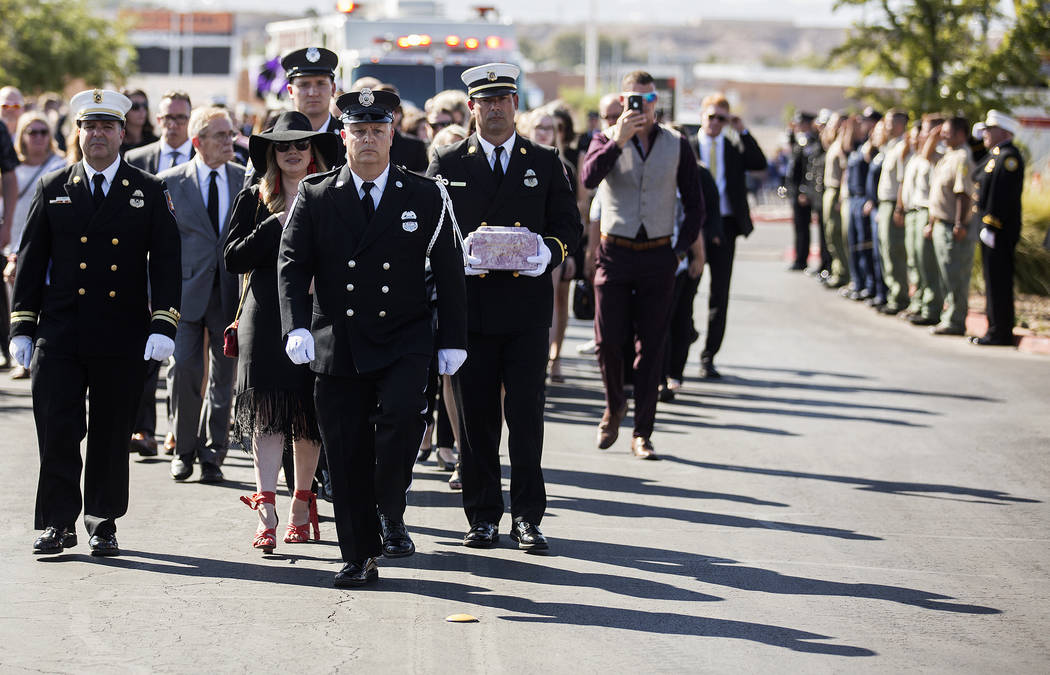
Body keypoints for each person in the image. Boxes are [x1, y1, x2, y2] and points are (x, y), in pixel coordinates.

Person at [279, 87, 467, 587]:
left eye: (377, 131)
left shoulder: (426, 194)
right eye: (358, 131)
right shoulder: (317, 195)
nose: (367, 139)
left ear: (392, 136)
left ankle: (390, 500)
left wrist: (453, 337)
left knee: (404, 417)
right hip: (337, 336)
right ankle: (358, 554)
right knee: (344, 449)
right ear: (343, 137)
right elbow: (292, 265)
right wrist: (295, 324)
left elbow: (449, 269)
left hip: (404, 334)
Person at [11, 89, 181, 556]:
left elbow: (166, 262)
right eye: (90, 126)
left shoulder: (147, 190)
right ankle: (58, 522)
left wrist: (164, 324)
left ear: (123, 134)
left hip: (120, 331)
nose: (98, 134)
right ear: (78, 133)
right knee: (57, 427)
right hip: (61, 331)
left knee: (110, 431)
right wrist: (22, 327)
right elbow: (30, 263)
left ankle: (103, 521)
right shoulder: (54, 187)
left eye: (108, 126)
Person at [428, 63, 581, 550]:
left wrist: (546, 254)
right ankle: (482, 516)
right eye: (485, 101)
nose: (495, 109)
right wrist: (458, 257)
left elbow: (567, 226)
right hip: (471, 309)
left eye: (504, 100)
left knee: (526, 417)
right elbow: (431, 233)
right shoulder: (449, 163)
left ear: (516, 105)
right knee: (475, 422)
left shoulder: (544, 160)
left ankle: (528, 517)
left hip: (525, 310)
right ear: (471, 107)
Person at [225, 111, 341, 551]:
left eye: (301, 144)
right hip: (263, 314)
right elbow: (232, 257)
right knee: (268, 412)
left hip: (316, 315)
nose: (292, 151)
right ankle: (266, 509)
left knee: (307, 415)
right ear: (272, 154)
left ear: (313, 151)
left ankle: (301, 504)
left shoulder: (330, 195)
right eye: (283, 145)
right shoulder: (254, 197)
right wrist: (274, 225)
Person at [580, 70, 703, 459]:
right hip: (614, 250)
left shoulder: (677, 144)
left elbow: (695, 203)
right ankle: (615, 405)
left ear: (658, 103)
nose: (641, 107)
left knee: (651, 346)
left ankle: (642, 431)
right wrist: (618, 139)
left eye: (648, 100)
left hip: (658, 253)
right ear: (621, 101)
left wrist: (680, 250)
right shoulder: (605, 138)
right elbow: (588, 177)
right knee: (606, 342)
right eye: (633, 99)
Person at [158, 107, 245, 483]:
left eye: (231, 134)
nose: (230, 141)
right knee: (184, 372)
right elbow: (156, 246)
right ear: (198, 142)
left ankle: (214, 453)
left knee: (224, 376)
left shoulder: (246, 179)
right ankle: (184, 449)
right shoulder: (168, 182)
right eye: (221, 135)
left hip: (229, 293)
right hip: (184, 291)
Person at [692, 93, 766, 379]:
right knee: (686, 289)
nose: (715, 123)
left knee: (719, 294)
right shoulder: (686, 145)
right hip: (694, 226)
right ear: (701, 116)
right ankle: (685, 335)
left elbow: (759, 163)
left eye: (722, 118)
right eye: (711, 117)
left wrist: (742, 130)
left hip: (724, 225)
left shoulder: (733, 146)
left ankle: (709, 355)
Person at [4, 113, 66, 378]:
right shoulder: (12, 168)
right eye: (32, 132)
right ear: (22, 137)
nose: (38, 137)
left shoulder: (61, 165)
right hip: (16, 238)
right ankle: (21, 354)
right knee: (17, 293)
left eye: (43, 132)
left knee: (44, 293)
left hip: (48, 241)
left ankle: (44, 351)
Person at [519, 108, 577, 383]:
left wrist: (570, 252)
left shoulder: (564, 166)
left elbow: (575, 213)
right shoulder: (519, 161)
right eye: (539, 127)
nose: (544, 132)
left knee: (555, 301)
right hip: (520, 244)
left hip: (550, 246)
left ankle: (551, 359)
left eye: (549, 128)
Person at [973, 110, 1025, 346]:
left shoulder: (1009, 158)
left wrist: (991, 225)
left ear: (1004, 132)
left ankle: (1000, 331)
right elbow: (976, 171)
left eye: (989, 130)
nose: (985, 133)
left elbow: (1002, 196)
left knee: (999, 281)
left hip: (1000, 230)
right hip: (992, 229)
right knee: (992, 279)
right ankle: (994, 328)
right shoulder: (995, 156)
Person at [926, 115, 975, 337]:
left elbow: (963, 194)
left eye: (947, 132)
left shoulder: (962, 157)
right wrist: (934, 136)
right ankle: (949, 317)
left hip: (951, 226)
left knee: (955, 275)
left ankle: (955, 321)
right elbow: (925, 156)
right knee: (946, 274)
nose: (943, 135)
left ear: (961, 133)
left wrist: (958, 224)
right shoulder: (950, 155)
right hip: (941, 223)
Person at [899, 115, 945, 327]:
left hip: (927, 211)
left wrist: (932, 221)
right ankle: (918, 302)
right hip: (913, 211)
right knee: (915, 262)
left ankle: (931, 308)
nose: (921, 135)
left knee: (927, 264)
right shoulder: (916, 155)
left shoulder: (940, 155)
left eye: (927, 131)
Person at [875, 109, 910, 314]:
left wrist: (898, 208)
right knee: (886, 251)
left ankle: (899, 298)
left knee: (895, 252)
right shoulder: (891, 146)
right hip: (885, 202)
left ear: (900, 123)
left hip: (894, 203)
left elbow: (902, 181)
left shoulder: (904, 147)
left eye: (889, 122)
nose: (886, 126)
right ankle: (892, 295)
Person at [125, 91, 195, 174]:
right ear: (159, 120)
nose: (173, 125)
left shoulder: (205, 157)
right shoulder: (135, 160)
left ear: (191, 120)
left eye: (181, 118)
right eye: (168, 117)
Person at [785, 111, 818, 271]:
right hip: (795, 190)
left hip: (802, 191)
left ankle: (802, 259)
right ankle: (799, 257)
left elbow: (808, 169)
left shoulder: (811, 141)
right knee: (798, 226)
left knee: (803, 227)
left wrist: (804, 190)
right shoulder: (800, 139)